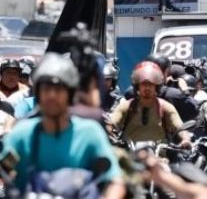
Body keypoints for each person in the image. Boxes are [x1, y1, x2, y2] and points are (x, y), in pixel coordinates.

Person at [0, 53, 125, 197]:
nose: (52, 96)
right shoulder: (21, 135)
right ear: (38, 94)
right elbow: (5, 171)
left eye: (58, 90)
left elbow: (115, 181)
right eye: (46, 89)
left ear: (70, 95)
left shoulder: (90, 134)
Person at [108, 61, 191, 146]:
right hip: (130, 156)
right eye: (144, 84)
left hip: (159, 156)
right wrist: (108, 130)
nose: (147, 88)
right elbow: (112, 123)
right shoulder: (126, 106)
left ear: (156, 86)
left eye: (151, 84)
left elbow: (180, 128)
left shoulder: (165, 107)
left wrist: (185, 139)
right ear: (138, 86)